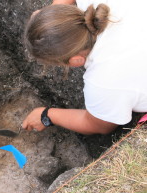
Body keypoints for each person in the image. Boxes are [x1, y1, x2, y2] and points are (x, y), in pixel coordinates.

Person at [22, 0, 147, 135]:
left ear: (76, 61)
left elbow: (98, 125)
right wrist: (50, 17)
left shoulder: (103, 81)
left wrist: (46, 115)